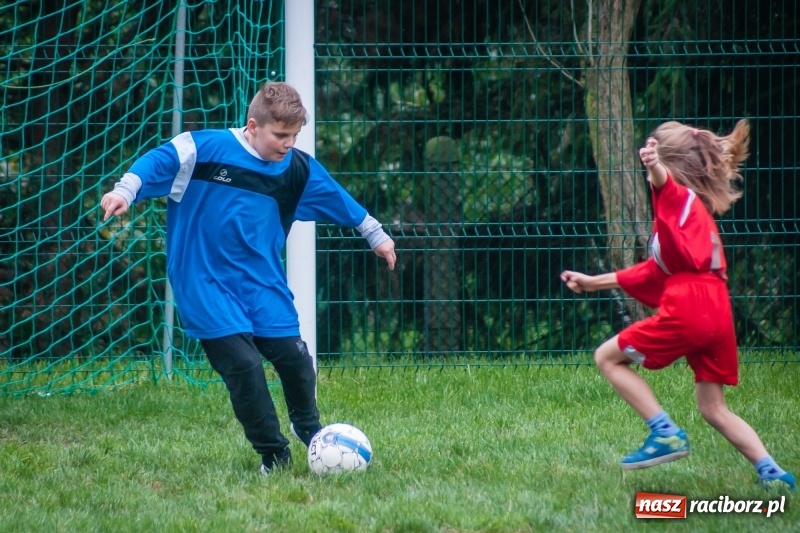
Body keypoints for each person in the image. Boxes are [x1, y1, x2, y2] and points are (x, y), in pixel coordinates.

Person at [101, 82, 396, 474]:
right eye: (280, 135)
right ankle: (274, 455)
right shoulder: (203, 150)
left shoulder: (297, 169)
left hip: (262, 283)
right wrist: (126, 190)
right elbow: (157, 161)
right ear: (253, 126)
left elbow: (340, 200)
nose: (288, 144)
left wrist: (376, 236)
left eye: (294, 135)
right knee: (243, 365)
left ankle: (309, 428)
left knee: (294, 358)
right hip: (204, 283)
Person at [560, 119, 794, 490]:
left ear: (667, 163)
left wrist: (653, 164)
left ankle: (664, 433)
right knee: (713, 408)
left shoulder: (676, 197)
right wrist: (594, 283)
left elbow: (662, 183)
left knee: (607, 357)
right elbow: (654, 272)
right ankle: (774, 473)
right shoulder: (688, 214)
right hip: (716, 308)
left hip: (691, 305)